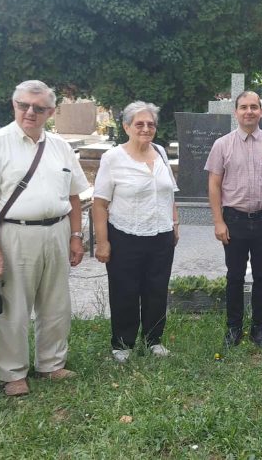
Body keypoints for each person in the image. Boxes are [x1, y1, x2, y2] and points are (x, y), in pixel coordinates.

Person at [0, 80, 89, 397]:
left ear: (50, 111)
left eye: (39, 108)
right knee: (14, 307)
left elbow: (74, 196)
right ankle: (13, 373)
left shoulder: (61, 147)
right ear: (14, 105)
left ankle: (51, 363)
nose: (30, 112)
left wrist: (76, 236)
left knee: (56, 303)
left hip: (58, 231)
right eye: (23, 105)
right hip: (15, 234)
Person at [93, 101, 179, 363]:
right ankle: (123, 343)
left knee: (157, 289)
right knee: (125, 290)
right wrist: (102, 242)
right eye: (139, 124)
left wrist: (174, 224)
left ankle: (154, 340)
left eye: (150, 124)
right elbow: (100, 203)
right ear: (126, 127)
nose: (146, 128)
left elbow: (169, 194)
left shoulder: (160, 153)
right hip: (125, 234)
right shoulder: (113, 158)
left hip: (161, 234)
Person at [205, 91, 262, 348]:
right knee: (235, 276)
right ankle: (234, 327)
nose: (249, 111)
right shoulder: (222, 145)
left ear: (260, 112)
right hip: (234, 220)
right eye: (244, 107)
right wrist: (218, 221)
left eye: (254, 107)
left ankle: (259, 327)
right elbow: (214, 184)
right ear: (236, 112)